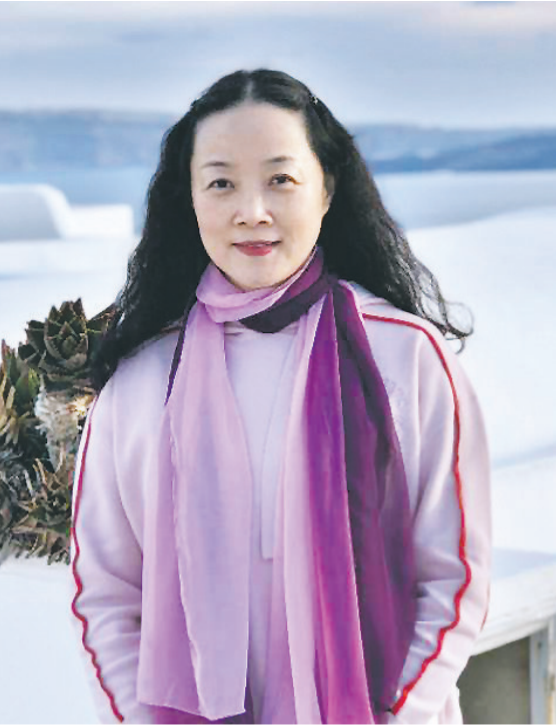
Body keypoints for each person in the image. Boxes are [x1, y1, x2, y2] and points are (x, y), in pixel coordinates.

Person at [71, 69, 491, 725]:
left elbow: (454, 577)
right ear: (189, 200)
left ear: (327, 188)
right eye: (220, 183)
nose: (252, 211)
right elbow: (105, 593)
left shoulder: (404, 357)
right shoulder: (142, 380)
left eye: (280, 179)